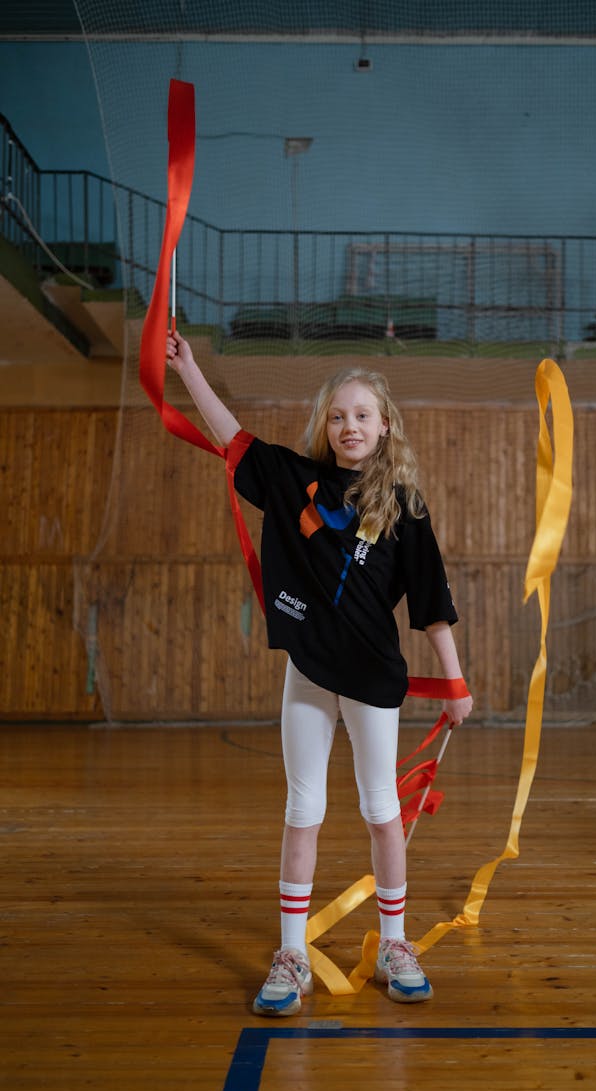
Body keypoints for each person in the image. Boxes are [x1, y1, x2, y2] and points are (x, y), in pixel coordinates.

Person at [166, 330, 473, 1016]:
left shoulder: (404, 503)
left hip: (372, 679)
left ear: (384, 424)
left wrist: (454, 682)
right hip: (308, 672)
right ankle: (291, 953)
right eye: (338, 415)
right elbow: (231, 438)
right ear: (324, 426)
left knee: (381, 809)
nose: (350, 425)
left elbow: (432, 601)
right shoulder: (292, 480)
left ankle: (395, 943)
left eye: (362, 414)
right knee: (302, 808)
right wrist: (187, 368)